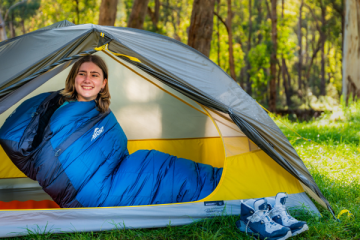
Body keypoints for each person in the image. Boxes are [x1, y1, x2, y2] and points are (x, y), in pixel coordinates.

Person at [0, 55, 223, 208]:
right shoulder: (65, 113)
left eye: (94, 75)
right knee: (167, 174)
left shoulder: (99, 111)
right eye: (82, 74)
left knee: (156, 163)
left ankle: (218, 182)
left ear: (104, 83)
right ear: (73, 79)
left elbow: (115, 152)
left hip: (118, 171)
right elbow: (54, 160)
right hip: (93, 193)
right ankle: (221, 190)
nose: (88, 79)